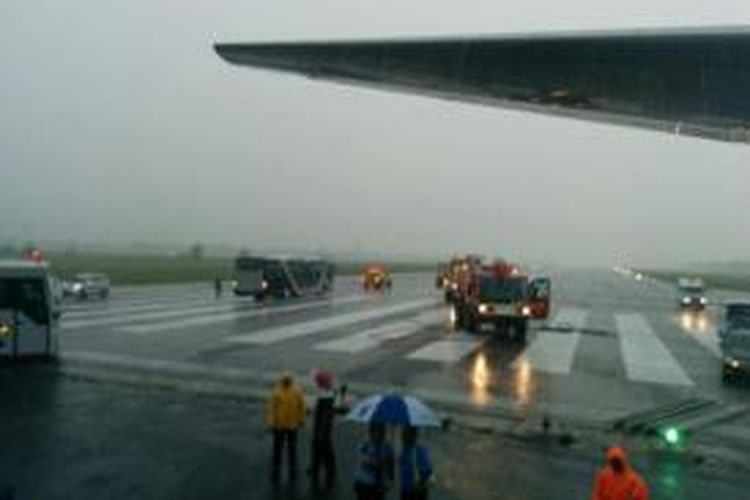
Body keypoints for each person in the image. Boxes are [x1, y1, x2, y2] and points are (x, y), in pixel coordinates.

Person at [266, 372, 306, 483]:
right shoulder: (276, 392)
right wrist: (270, 422)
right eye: (285, 379)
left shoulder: (297, 392)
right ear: (282, 380)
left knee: (291, 447)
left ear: (291, 380)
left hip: (292, 424)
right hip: (279, 424)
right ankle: (276, 466)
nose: (286, 381)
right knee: (278, 448)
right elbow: (271, 408)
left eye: (288, 379)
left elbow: (301, 407)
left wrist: (302, 420)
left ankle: (292, 466)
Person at [309, 369, 339, 489]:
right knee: (326, 448)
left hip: (321, 430)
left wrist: (319, 434)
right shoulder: (328, 394)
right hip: (323, 429)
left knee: (321, 448)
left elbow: (324, 418)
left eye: (317, 382)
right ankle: (325, 468)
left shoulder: (325, 398)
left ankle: (321, 469)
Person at [354, 423, 395, 500]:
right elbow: (362, 460)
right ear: (370, 432)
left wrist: (389, 479)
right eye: (375, 431)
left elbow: (390, 467)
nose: (378, 435)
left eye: (380, 432)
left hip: (379, 485)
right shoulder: (365, 445)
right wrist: (377, 462)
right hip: (365, 484)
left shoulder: (386, 447)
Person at [398, 426, 434, 500]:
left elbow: (426, 471)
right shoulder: (404, 451)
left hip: (415, 490)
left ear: (413, 436)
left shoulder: (420, 451)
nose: (402, 436)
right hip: (407, 488)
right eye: (403, 434)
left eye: (405, 434)